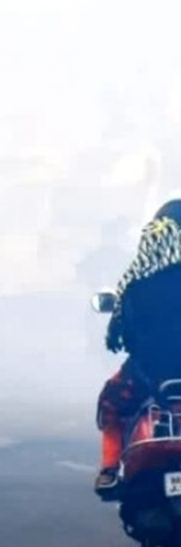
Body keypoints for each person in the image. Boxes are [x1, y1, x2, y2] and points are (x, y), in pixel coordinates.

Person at [95, 199, 181, 496]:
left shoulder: (136, 285)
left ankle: (108, 470)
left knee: (112, 405)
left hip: (148, 373)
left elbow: (123, 337)